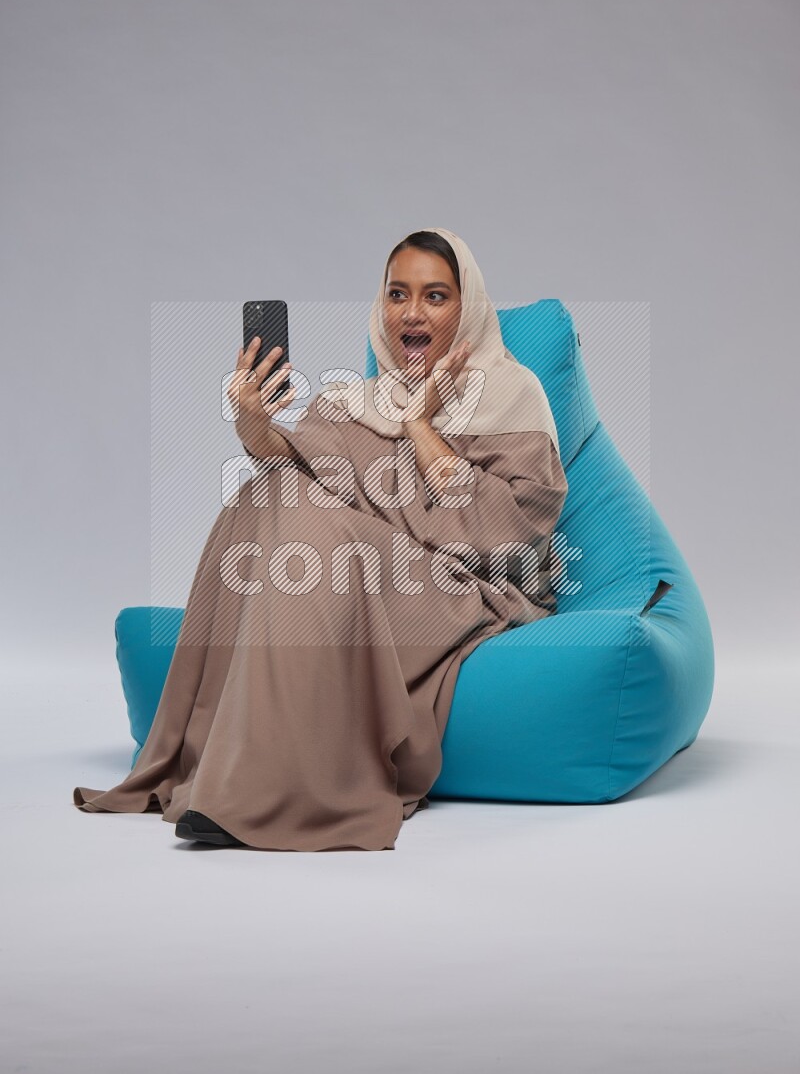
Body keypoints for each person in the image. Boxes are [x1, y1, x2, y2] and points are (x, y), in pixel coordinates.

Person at [73, 226, 569, 851]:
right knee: (268, 493)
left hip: (467, 587)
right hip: (361, 570)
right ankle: (228, 771)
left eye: (435, 296)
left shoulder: (511, 392)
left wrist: (419, 422)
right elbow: (290, 458)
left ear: (466, 308)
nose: (412, 313)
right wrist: (254, 419)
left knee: (312, 522)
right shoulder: (357, 400)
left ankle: (268, 791)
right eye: (397, 294)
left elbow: (510, 533)